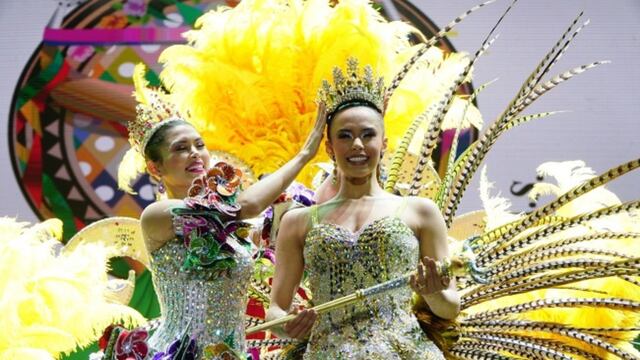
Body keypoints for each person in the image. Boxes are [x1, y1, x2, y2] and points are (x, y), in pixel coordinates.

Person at [112, 65, 327, 359]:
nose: (195, 154)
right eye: (180, 148)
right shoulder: (157, 215)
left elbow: (270, 297)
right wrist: (304, 155)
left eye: (199, 145)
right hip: (177, 353)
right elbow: (244, 207)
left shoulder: (238, 232)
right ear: (155, 168)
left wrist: (289, 323)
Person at [266, 59, 458, 359]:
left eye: (367, 134)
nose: (357, 144)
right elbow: (275, 310)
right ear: (329, 146)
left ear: (384, 143)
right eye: (344, 135)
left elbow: (450, 306)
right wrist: (286, 325)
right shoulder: (298, 221)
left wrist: (432, 292)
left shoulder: (421, 212)